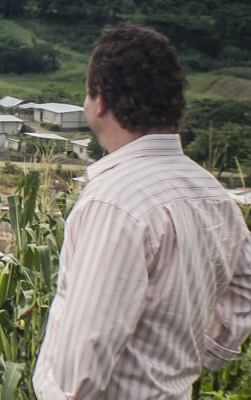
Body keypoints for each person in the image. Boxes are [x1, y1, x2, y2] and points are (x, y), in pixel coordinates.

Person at [33, 24, 251, 399]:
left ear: (100, 100)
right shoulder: (211, 192)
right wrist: (195, 357)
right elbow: (245, 288)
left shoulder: (114, 201)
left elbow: (86, 357)